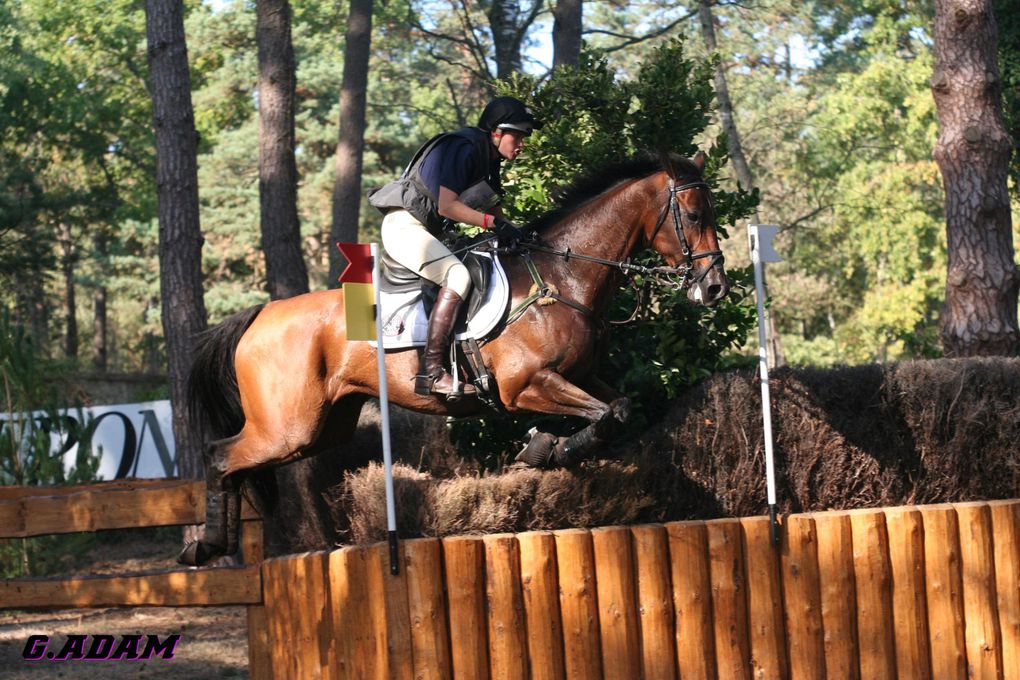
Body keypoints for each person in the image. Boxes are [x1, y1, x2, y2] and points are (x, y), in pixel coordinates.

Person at [368, 96, 542, 398]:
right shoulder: (462, 147)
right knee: (457, 277)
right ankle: (432, 373)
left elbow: (495, 213)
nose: (522, 143)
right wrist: (492, 224)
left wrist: (519, 235)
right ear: (497, 132)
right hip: (404, 226)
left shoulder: (489, 161)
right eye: (519, 135)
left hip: (427, 231)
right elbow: (448, 207)